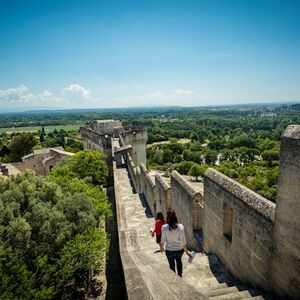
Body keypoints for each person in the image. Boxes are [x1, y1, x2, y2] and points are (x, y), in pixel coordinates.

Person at [160, 208, 192, 277]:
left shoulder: (164, 227)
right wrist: (186, 252)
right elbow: (183, 241)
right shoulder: (180, 227)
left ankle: (174, 279)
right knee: (179, 262)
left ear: (167, 217)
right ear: (175, 217)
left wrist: (161, 247)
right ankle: (180, 276)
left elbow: (163, 240)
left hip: (169, 250)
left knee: (171, 265)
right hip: (179, 250)